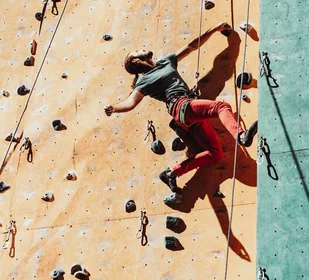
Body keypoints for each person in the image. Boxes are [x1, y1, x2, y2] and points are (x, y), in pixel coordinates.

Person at [104, 22, 258, 193]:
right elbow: (131, 102)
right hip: (181, 106)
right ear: (137, 60)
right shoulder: (143, 80)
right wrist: (114, 108)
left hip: (186, 114)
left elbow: (191, 46)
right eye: (137, 51)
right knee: (221, 107)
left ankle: (171, 173)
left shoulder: (165, 62)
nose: (141, 48)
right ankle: (241, 136)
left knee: (216, 153)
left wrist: (215, 30)